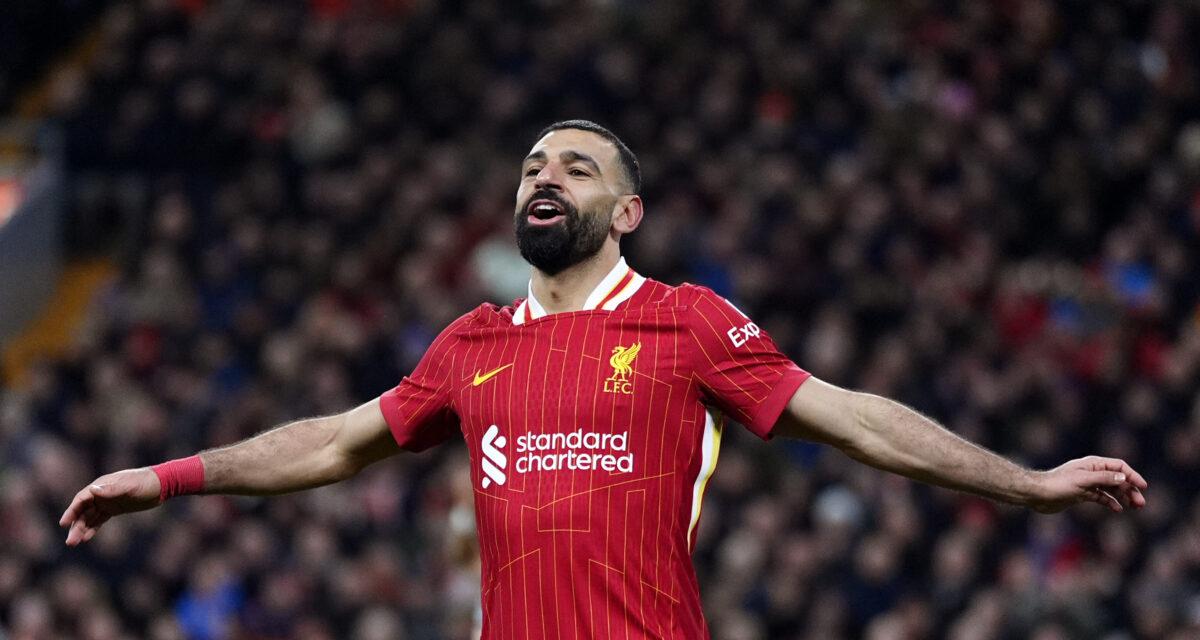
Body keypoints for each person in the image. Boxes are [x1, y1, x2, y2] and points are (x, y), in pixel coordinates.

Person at [61, 120, 1148, 639]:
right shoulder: (471, 343)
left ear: (626, 212)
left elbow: (856, 419)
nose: (545, 178)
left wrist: (1025, 483)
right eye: (533, 166)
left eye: (576, 168)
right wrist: (166, 478)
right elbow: (334, 441)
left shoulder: (688, 320)